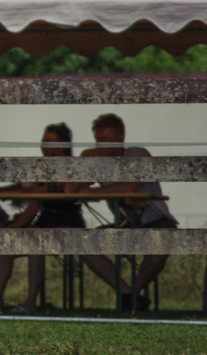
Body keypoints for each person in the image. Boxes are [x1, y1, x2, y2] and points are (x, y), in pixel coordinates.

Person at [67, 113, 178, 311]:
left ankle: (132, 295)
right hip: (124, 224)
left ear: (119, 138)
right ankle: (128, 295)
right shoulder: (99, 162)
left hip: (155, 220)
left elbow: (129, 188)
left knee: (161, 246)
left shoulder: (137, 154)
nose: (99, 145)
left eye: (104, 139)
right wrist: (86, 158)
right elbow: (70, 190)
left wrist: (91, 191)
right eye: (97, 140)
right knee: (80, 243)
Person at [0, 123, 87, 314]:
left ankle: (30, 303)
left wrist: (22, 191)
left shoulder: (73, 167)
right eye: (43, 141)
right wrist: (9, 230)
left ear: (63, 145)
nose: (45, 146)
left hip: (68, 225)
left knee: (36, 240)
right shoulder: (39, 168)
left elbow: (59, 189)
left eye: (50, 142)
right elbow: (32, 209)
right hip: (43, 225)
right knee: (9, 247)